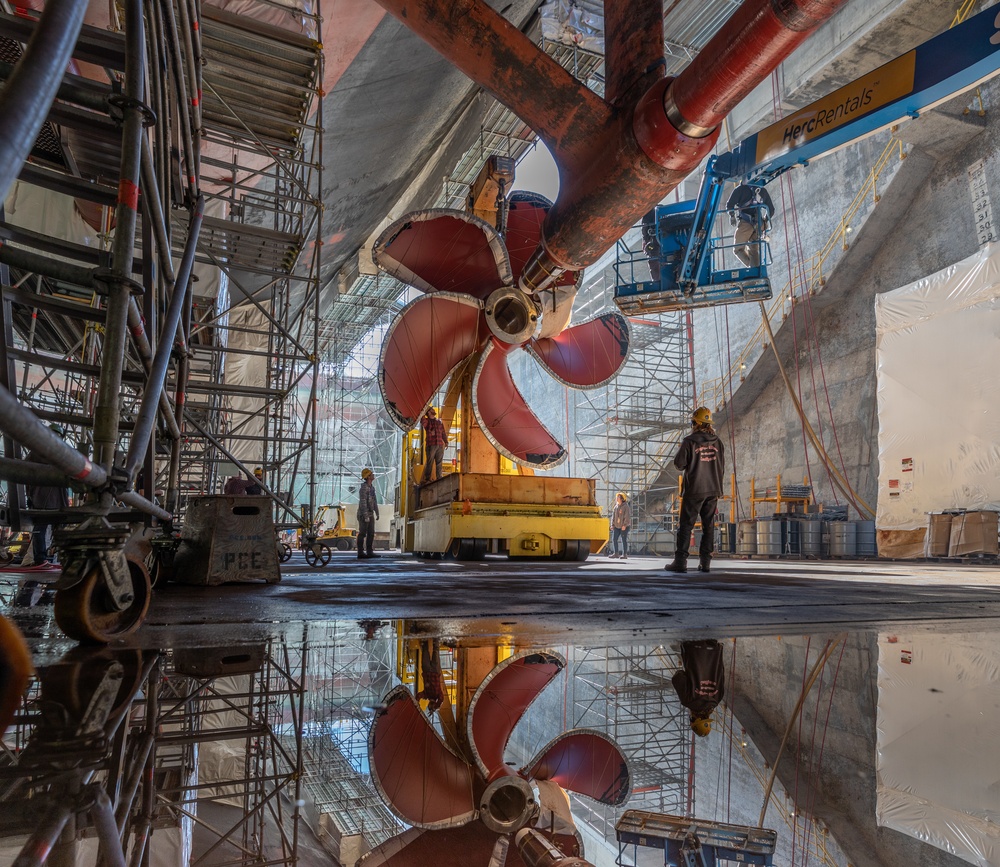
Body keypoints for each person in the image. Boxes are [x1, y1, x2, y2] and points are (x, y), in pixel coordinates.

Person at [666, 407, 725, 574]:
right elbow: (721, 467)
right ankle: (705, 563)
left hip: (695, 489)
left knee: (686, 526)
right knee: (709, 526)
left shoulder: (689, 441)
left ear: (695, 423)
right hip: (713, 489)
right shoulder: (718, 442)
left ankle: (680, 562)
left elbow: (679, 464)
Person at [25, 423, 70, 568]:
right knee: (56, 530)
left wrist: (29, 495)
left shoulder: (36, 451)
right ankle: (61, 558)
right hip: (56, 501)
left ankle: (41, 559)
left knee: (40, 529)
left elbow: (22, 471)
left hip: (41, 500)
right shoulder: (63, 453)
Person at [671, 639, 725, 737]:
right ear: (694, 718)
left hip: (714, 648)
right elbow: (678, 678)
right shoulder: (687, 701)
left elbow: (721, 673)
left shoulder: (717, 699)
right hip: (693, 647)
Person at [726, 182, 774, 268]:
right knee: (754, 250)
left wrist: (732, 216)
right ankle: (756, 268)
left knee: (737, 249)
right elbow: (771, 210)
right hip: (759, 225)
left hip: (746, 224)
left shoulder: (739, 190)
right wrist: (765, 220)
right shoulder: (762, 190)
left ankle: (753, 268)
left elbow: (729, 205)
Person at [420, 407, 448, 483]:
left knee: (439, 462)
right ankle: (427, 478)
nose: (434, 411)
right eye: (432, 410)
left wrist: (446, 441)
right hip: (431, 445)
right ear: (428, 412)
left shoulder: (439, 422)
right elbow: (422, 420)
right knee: (430, 462)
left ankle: (439, 477)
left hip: (439, 444)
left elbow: (443, 432)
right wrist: (423, 411)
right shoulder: (427, 421)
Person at [357, 467, 380, 559]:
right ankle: (360, 552)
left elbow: (374, 501)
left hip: (370, 514)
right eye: (372, 474)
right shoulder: (364, 489)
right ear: (368, 476)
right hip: (363, 515)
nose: (373, 475)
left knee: (371, 533)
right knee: (362, 533)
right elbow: (363, 503)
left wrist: (377, 512)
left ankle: (369, 552)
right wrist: (366, 516)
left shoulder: (372, 488)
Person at [608, 492, 631, 559]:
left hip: (624, 527)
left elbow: (627, 516)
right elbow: (613, 516)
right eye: (617, 497)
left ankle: (624, 554)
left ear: (622, 499)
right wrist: (612, 525)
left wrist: (625, 525)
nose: (616, 498)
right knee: (614, 539)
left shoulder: (626, 507)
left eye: (618, 497)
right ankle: (616, 553)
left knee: (624, 540)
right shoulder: (616, 507)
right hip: (616, 526)